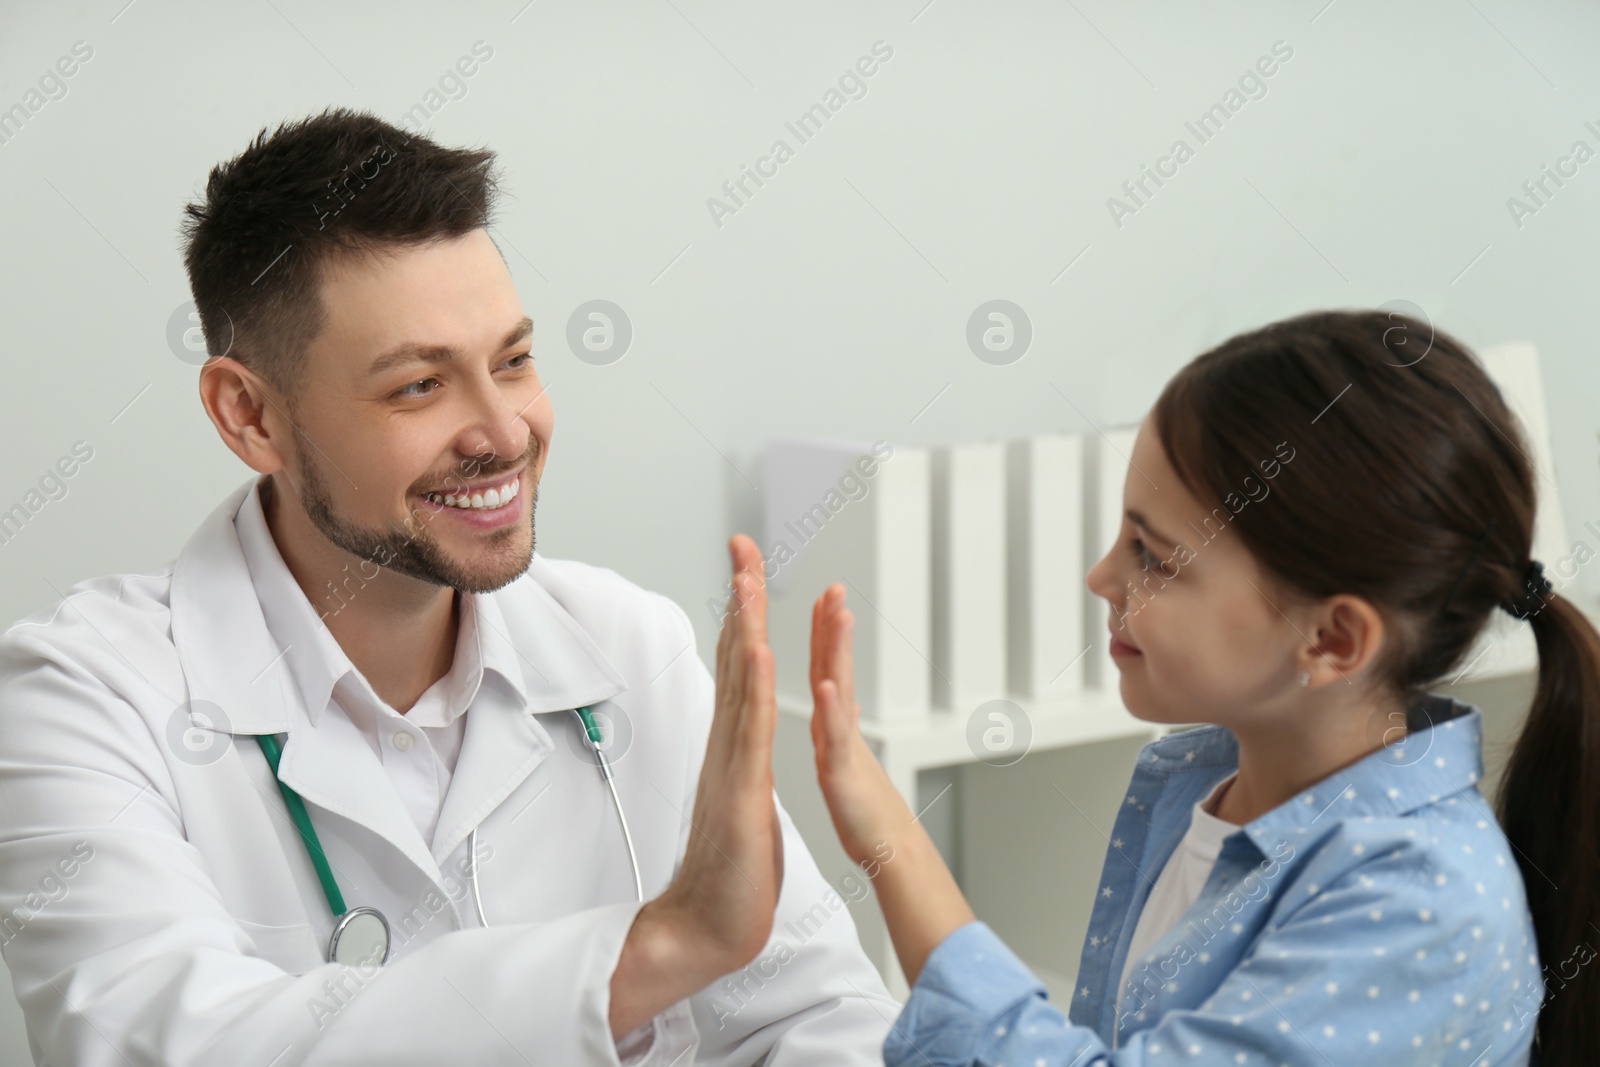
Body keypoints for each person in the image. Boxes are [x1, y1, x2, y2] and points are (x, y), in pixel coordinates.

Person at [0, 107, 898, 1065]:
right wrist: (656, 951)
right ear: (249, 414)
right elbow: (165, 1043)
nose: (504, 432)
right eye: (419, 386)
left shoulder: (634, 647)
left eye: (512, 361)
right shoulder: (78, 698)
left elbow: (820, 1018)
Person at [804, 310, 1598, 1065]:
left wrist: (894, 844)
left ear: (1331, 639)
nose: (1101, 575)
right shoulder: (1208, 785)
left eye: (1154, 555)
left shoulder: (1420, 902)